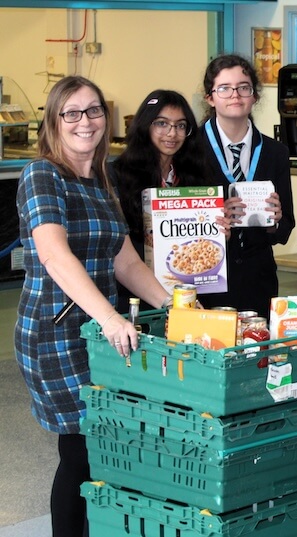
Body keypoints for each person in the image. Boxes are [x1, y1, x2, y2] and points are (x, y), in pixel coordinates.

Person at [14, 76, 173, 537]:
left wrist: (178, 304)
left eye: (94, 110)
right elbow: (53, 254)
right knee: (81, 449)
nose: (85, 121)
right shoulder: (42, 175)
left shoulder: (102, 180)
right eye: (72, 113)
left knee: (101, 446)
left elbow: (126, 261)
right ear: (54, 122)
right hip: (56, 332)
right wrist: (108, 316)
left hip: (101, 332)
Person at [198, 54, 294, 317]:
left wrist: (274, 222)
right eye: (224, 88)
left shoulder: (275, 152)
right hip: (206, 281)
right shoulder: (191, 149)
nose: (235, 95)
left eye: (243, 87)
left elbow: (285, 229)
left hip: (257, 281)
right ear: (210, 97)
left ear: (255, 96)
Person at [112, 89, 225, 312]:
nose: (172, 133)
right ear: (145, 126)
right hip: (136, 297)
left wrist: (221, 230)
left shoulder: (199, 178)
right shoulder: (117, 175)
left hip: (190, 294)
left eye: (181, 125)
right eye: (162, 124)